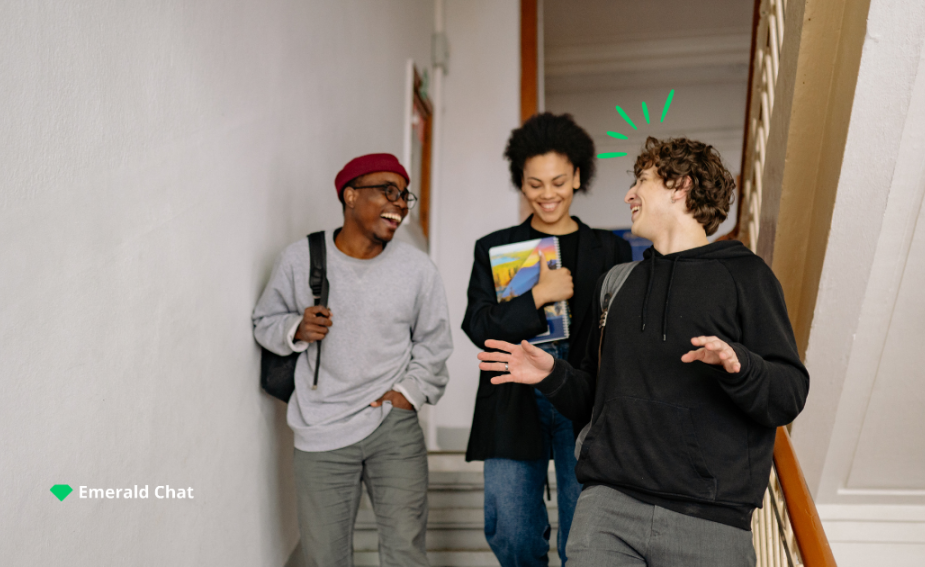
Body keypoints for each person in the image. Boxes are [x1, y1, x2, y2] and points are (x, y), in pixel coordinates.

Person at [477, 137, 809, 566]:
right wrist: (551, 375)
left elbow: (789, 394)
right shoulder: (616, 284)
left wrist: (740, 366)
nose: (629, 194)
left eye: (642, 181)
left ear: (681, 186)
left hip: (709, 521)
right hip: (606, 512)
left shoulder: (747, 276)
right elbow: (590, 401)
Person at [253, 153, 453, 567]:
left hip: (392, 424)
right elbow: (264, 322)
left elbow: (435, 343)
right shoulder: (301, 257)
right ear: (349, 195)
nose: (399, 203)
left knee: (405, 551)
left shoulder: (417, 269)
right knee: (325, 556)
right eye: (388, 191)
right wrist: (296, 329)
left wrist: (407, 395)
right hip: (320, 429)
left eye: (404, 196)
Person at [462, 112, 633, 567]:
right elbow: (479, 326)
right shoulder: (494, 248)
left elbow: (620, 330)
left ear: (578, 176)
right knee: (512, 532)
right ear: (521, 182)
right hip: (513, 397)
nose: (547, 194)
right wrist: (539, 294)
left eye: (558, 181)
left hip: (586, 398)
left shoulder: (611, 248)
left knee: (585, 536)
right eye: (534, 184)